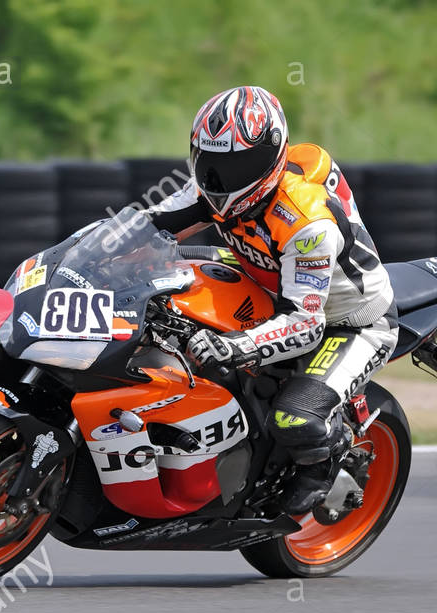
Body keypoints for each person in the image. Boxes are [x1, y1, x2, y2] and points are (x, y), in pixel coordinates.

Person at [146, 85, 396, 517]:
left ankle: (324, 461)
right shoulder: (211, 188)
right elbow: (146, 228)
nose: (225, 177)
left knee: (294, 418)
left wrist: (235, 347)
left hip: (349, 320)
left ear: (273, 157)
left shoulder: (305, 220)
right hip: (267, 285)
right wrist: (84, 250)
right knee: (165, 291)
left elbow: (305, 323)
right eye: (213, 163)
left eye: (242, 163)